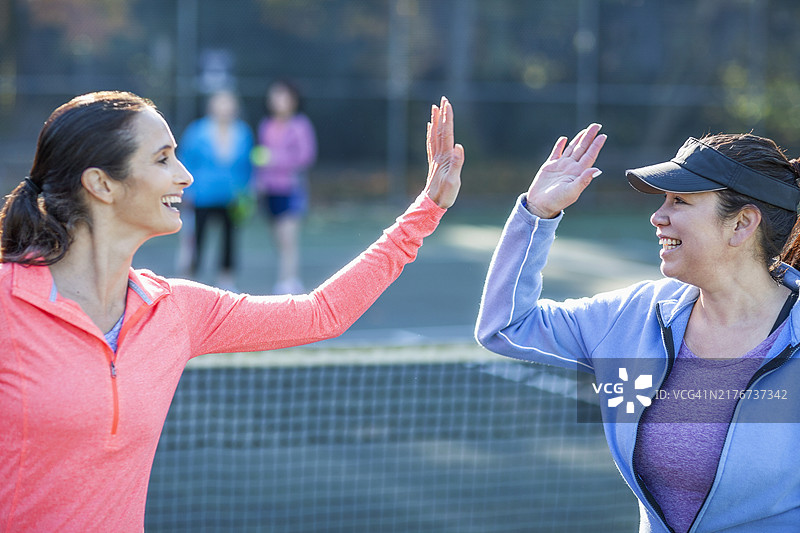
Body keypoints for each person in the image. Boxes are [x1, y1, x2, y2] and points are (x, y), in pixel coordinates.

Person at [0, 91, 463, 531]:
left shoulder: (177, 311)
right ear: (101, 184)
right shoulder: (8, 304)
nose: (185, 175)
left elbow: (322, 313)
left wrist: (426, 210)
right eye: (162, 159)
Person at [475, 124, 800, 532]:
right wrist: (537, 215)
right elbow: (506, 326)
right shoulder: (632, 316)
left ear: (741, 224)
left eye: (679, 201)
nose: (657, 216)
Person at [178, 89, 254, 290]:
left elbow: (248, 166)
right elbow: (186, 161)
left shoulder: (243, 132)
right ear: (212, 106)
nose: (224, 108)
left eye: (228, 103)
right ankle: (190, 282)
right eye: (220, 103)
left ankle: (226, 280)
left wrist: (248, 191)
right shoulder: (196, 131)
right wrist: (186, 191)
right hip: (201, 196)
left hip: (232, 197)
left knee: (230, 239)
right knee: (197, 239)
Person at [252, 79, 317, 294]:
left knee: (288, 238)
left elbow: (306, 157)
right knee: (278, 238)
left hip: (291, 190)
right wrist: (258, 180)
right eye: (274, 96)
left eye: (282, 96)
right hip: (270, 191)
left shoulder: (301, 125)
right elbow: (261, 159)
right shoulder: (266, 125)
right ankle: (285, 278)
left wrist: (275, 159)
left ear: (293, 100)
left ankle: (289, 281)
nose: (278, 101)